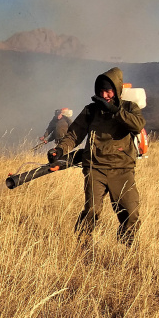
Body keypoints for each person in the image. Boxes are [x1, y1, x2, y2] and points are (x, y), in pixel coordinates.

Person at [47, 67, 146, 247]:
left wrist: (115, 111)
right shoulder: (91, 110)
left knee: (130, 212)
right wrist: (60, 150)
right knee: (92, 209)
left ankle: (126, 248)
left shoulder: (129, 108)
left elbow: (137, 125)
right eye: (101, 91)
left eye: (108, 91)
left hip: (122, 169)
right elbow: (74, 134)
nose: (105, 95)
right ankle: (82, 245)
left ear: (117, 90)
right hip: (95, 167)